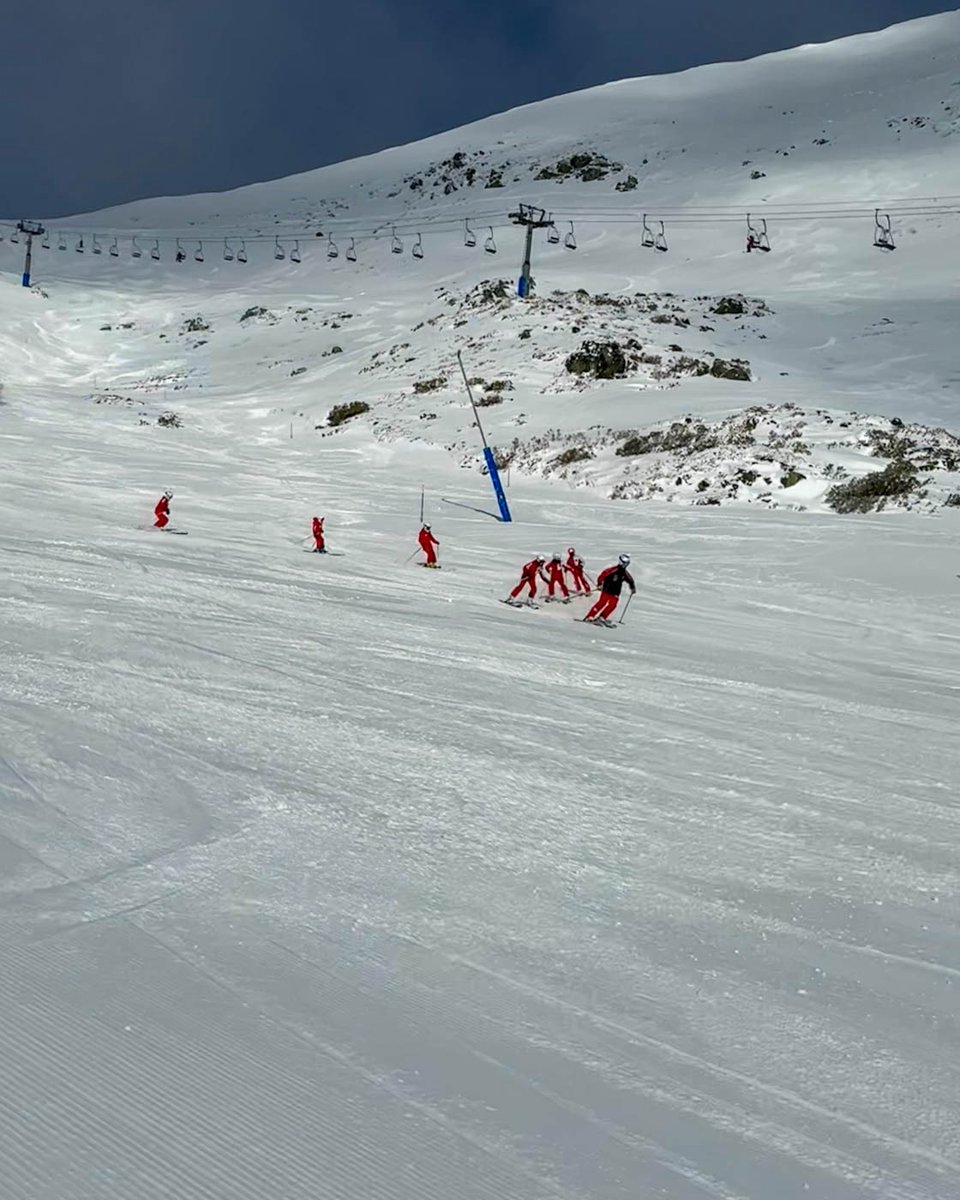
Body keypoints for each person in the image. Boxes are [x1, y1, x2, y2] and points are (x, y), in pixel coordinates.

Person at [584, 554, 635, 624]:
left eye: (627, 563)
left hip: (616, 592)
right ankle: (590, 616)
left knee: (613, 605)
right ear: (621, 562)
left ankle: (602, 617)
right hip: (607, 590)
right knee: (601, 603)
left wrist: (632, 587)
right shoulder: (613, 570)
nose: (625, 565)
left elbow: (630, 580)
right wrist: (599, 584)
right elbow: (602, 576)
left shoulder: (625, 573)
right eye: (625, 563)